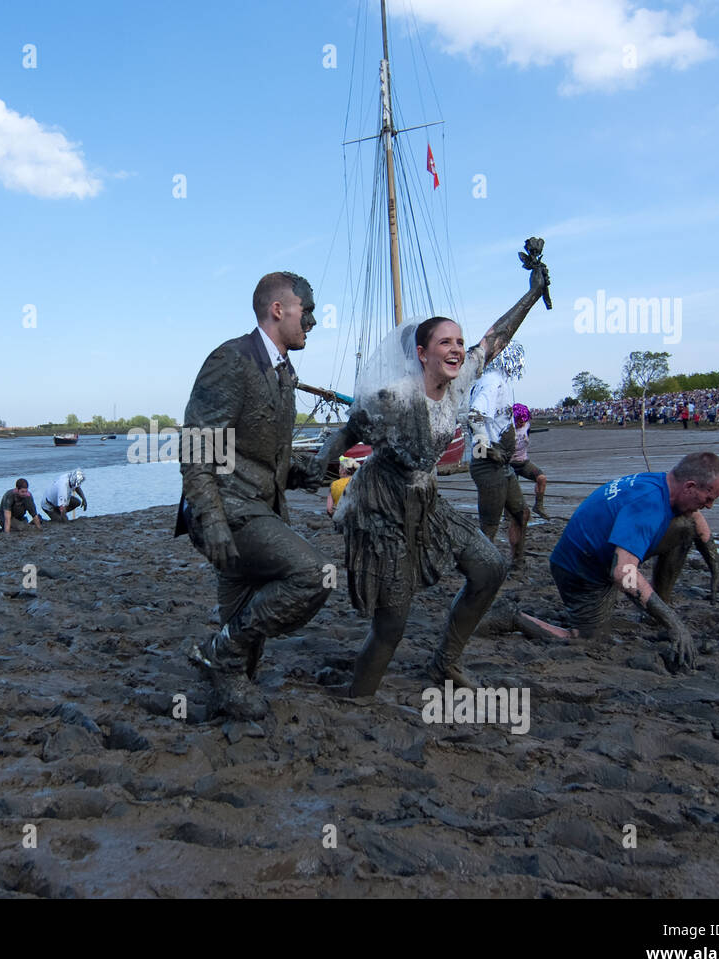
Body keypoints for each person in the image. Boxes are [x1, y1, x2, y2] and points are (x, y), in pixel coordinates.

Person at [314, 241, 551, 696]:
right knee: (392, 624)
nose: (458, 349)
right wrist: (322, 461)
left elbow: (495, 339)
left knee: (489, 568)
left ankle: (446, 661)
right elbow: (348, 432)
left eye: (459, 342)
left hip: (427, 500)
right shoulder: (397, 397)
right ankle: (358, 695)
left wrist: (532, 292)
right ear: (422, 353)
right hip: (382, 507)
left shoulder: (460, 380)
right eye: (446, 342)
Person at [176, 271, 330, 720]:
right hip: (231, 511)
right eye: (309, 310)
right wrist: (212, 520)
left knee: (247, 652)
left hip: (261, 507)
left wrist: (310, 470)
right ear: (279, 310)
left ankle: (223, 665)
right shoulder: (232, 359)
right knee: (315, 575)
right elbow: (199, 445)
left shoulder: (284, 373)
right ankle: (218, 653)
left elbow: (259, 453)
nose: (315, 321)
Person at [515, 452, 719, 671]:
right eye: (709, 499)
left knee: (685, 526)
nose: (710, 505)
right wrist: (675, 623)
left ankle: (659, 605)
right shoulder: (649, 504)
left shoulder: (664, 484)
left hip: (603, 553)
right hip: (579, 571)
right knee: (588, 640)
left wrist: (717, 572)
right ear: (690, 486)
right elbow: (623, 572)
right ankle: (514, 618)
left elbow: (696, 522)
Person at [467, 342, 530, 571]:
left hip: (500, 464)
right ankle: (482, 573)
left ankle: (518, 562)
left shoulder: (498, 381)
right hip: (489, 465)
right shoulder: (492, 382)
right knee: (489, 525)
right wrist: (487, 448)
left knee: (521, 512)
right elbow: (474, 416)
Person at [511, 403, 550, 519]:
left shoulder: (527, 426)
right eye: (519, 421)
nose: (521, 423)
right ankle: (507, 516)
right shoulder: (507, 428)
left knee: (541, 478)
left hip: (523, 462)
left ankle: (538, 506)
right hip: (509, 464)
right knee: (511, 491)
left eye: (523, 421)